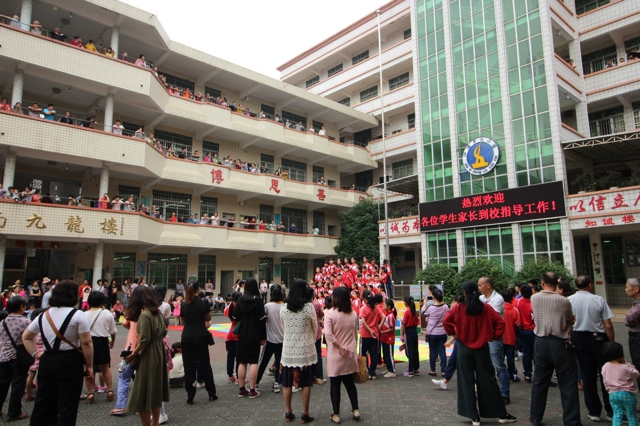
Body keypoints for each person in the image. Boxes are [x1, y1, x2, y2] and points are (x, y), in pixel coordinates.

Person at [443, 281, 516, 425]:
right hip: (482, 349)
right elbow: (500, 323)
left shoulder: (459, 309)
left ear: (464, 293)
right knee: (488, 380)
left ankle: (473, 416)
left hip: (464, 348)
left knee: (466, 382)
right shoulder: (486, 308)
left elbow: (446, 321)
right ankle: (500, 414)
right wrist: (493, 336)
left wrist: (455, 334)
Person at [23, 280, 94, 426]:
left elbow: (26, 336)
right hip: (70, 360)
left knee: (43, 401)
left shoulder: (43, 315)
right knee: (68, 404)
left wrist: (36, 354)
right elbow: (86, 343)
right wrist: (89, 365)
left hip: (47, 358)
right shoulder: (78, 315)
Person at [529, 272, 581, 426]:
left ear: (542, 283)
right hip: (559, 343)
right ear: (557, 284)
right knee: (568, 382)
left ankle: (535, 416)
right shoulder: (564, 301)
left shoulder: (535, 298)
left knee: (539, 380)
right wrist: (570, 321)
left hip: (540, 342)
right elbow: (568, 321)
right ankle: (571, 421)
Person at [569, 275, 615, 421]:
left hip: (578, 337)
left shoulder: (569, 300)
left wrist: (571, 340)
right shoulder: (598, 299)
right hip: (598, 338)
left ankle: (594, 412)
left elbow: (568, 323)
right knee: (606, 374)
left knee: (587, 375)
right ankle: (611, 411)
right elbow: (608, 324)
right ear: (590, 285)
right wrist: (611, 343)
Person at [123, 286, 169, 425]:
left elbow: (144, 340)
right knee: (155, 392)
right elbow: (164, 332)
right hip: (159, 352)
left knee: (141, 393)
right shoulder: (157, 313)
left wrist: (132, 355)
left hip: (148, 354)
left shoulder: (144, 315)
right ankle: (155, 422)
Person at [280, 279, 317, 424]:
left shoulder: (283, 307)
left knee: (287, 383)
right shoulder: (309, 307)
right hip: (305, 350)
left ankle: (288, 412)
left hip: (288, 350)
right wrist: (310, 340)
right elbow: (315, 327)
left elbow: (283, 326)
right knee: (305, 382)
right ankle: (305, 413)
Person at [180, 281, 217, 404]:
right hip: (200, 335)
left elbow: (182, 319)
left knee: (188, 365)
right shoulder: (203, 302)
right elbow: (208, 317)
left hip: (186, 336)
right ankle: (211, 393)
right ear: (198, 289)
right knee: (205, 363)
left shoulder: (184, 303)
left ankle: (190, 395)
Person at [478, 276, 510, 404]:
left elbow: (491, 317)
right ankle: (487, 392)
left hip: (493, 337)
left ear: (488, 285)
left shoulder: (498, 299)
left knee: (499, 366)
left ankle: (504, 393)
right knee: (484, 366)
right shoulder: (481, 299)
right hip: (482, 336)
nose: (479, 288)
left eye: (480, 285)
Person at [233, 278, 266, 399]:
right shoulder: (258, 301)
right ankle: (252, 389)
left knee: (242, 361)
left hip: (243, 332)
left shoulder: (241, 300)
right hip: (255, 332)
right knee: (253, 361)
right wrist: (263, 336)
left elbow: (236, 316)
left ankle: (241, 389)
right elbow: (262, 319)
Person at [0, 296, 31, 421]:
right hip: (19, 357)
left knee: (2, 384)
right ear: (21, 307)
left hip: (3, 357)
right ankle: (14, 412)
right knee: (18, 384)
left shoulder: (2, 322)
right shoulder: (26, 322)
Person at [83, 291, 117, 404]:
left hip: (88, 343)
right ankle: (110, 390)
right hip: (102, 342)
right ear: (102, 301)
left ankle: (90, 392)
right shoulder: (107, 313)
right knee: (105, 368)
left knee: (88, 369)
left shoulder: (84, 315)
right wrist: (112, 342)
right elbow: (113, 331)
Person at [601, 342, 639, 426]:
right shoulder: (625, 367)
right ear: (621, 354)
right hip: (627, 394)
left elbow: (605, 380)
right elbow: (636, 374)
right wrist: (627, 364)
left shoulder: (605, 366)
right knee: (631, 415)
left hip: (613, 394)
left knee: (617, 414)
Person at [256, 285, 285, 393]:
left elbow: (263, 319)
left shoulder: (267, 306)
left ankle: (256, 382)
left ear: (271, 294)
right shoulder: (285, 307)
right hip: (282, 339)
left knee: (263, 361)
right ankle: (277, 383)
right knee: (279, 362)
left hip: (270, 338)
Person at [424, 288, 449, 376]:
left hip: (433, 333)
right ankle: (443, 370)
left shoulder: (431, 308)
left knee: (432, 351)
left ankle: (433, 370)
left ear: (433, 297)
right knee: (442, 351)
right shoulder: (446, 307)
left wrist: (425, 303)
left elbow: (424, 313)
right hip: (443, 333)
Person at [360, 290, 382, 379]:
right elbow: (384, 317)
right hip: (374, 334)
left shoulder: (364, 309)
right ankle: (372, 372)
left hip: (365, 334)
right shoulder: (376, 308)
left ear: (365, 299)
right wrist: (378, 327)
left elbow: (363, 321)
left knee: (363, 354)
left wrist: (369, 330)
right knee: (374, 354)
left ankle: (366, 371)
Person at [501, 289, 521, 382]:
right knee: (510, 358)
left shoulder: (498, 309)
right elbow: (518, 324)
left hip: (499, 338)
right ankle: (511, 374)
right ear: (512, 297)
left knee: (500, 358)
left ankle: (500, 374)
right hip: (511, 338)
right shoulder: (514, 310)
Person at [624, 278, 640, 389]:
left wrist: (627, 317)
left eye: (627, 287)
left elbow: (629, 319)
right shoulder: (635, 303)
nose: (626, 290)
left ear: (636, 288)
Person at [224, 292, 242, 383]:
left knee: (230, 356)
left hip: (231, 333)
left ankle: (230, 376)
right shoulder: (241, 308)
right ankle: (239, 377)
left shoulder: (229, 308)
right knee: (239, 357)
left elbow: (225, 313)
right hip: (239, 333)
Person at [400, 295, 420, 377]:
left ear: (405, 303)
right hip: (414, 331)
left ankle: (410, 369)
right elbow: (416, 323)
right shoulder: (414, 312)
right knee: (415, 349)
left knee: (409, 350)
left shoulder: (407, 312)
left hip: (408, 331)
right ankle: (416, 368)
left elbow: (403, 324)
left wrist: (402, 335)